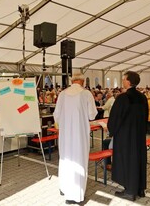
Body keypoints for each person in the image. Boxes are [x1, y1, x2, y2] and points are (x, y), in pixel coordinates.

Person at [53, 73, 97, 204]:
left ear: (72, 81)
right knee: (79, 160)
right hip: (80, 133)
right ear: (82, 81)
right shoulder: (86, 94)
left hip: (65, 133)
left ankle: (64, 188)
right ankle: (75, 195)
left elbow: (56, 115)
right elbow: (92, 115)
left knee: (65, 158)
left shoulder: (62, 94)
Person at [107, 71, 148, 201]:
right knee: (138, 160)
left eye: (124, 79)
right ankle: (139, 189)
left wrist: (111, 130)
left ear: (129, 81)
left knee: (128, 161)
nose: (122, 81)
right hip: (139, 135)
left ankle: (130, 191)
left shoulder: (123, 98)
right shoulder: (142, 97)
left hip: (125, 137)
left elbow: (115, 118)